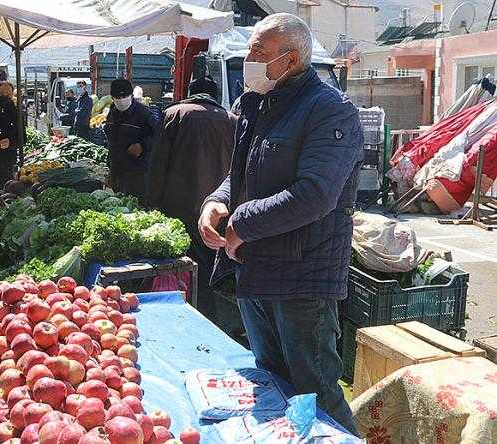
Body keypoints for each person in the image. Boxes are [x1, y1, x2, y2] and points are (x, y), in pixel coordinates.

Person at [198, 14, 362, 435]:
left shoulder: (329, 111)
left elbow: (315, 194)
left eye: (258, 51)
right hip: (256, 269)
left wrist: (242, 223)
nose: (248, 58)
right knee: (272, 381)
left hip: (303, 279)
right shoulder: (258, 104)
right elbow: (243, 172)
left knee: (315, 390)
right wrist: (216, 203)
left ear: (289, 60)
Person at [146, 76, 234, 304]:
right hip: (218, 205)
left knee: (185, 258)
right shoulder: (232, 119)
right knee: (210, 256)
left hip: (179, 202)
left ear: (190, 91)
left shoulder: (175, 114)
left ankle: (194, 304)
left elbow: (158, 161)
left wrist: (152, 200)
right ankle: (211, 303)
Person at [103, 78, 159, 200]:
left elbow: (160, 136)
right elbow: (111, 143)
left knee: (136, 208)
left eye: (125, 96)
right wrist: (110, 171)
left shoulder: (144, 114)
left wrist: (143, 145)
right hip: (117, 171)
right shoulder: (112, 113)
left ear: (131, 96)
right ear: (112, 98)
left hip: (138, 174)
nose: (121, 100)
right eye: (117, 97)